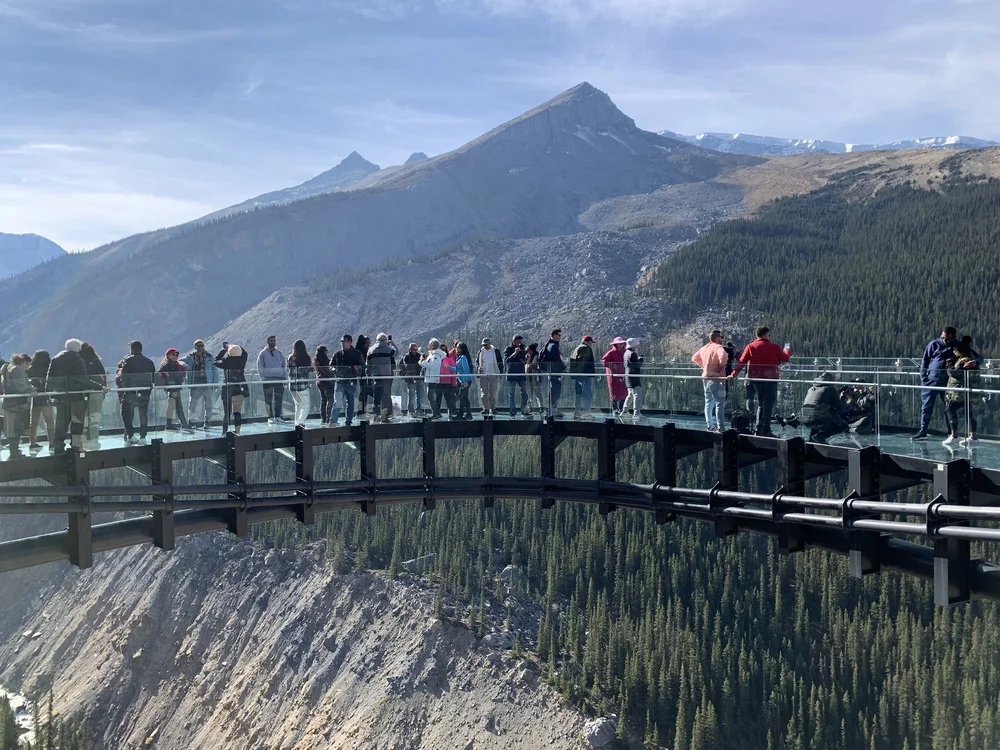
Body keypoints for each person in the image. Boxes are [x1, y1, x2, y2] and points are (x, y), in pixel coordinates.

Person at [729, 326, 791, 438]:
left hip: (755, 379)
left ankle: (759, 428)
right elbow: (785, 359)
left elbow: (741, 362)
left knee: (761, 404)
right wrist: (787, 349)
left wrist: (733, 374)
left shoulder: (751, 346)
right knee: (768, 404)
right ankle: (765, 430)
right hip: (770, 379)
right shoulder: (774, 347)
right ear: (766, 334)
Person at [46, 339, 103, 454]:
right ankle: (76, 446)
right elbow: (83, 379)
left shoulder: (56, 358)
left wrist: (49, 394)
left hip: (60, 396)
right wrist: (100, 387)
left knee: (61, 423)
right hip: (76, 397)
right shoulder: (78, 359)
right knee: (77, 423)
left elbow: (50, 378)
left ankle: (58, 446)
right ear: (78, 348)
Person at [913, 327, 959, 440]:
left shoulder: (957, 345)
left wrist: (975, 362)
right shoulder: (934, 344)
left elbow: (975, 356)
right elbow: (925, 360)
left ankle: (951, 433)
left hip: (948, 382)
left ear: (953, 337)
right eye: (943, 337)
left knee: (949, 407)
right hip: (931, 381)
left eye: (947, 338)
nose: (944, 340)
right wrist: (924, 378)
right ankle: (923, 431)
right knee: (926, 406)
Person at [800, 372, 872, 444]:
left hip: (804, 418)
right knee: (843, 426)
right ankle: (820, 437)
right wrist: (848, 400)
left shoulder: (811, 389)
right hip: (818, 418)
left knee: (815, 418)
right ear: (830, 380)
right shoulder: (830, 389)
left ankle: (812, 441)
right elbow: (840, 407)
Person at [943, 337, 982, 446]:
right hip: (967, 391)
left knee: (950, 409)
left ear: (959, 351)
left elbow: (954, 373)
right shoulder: (972, 357)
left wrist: (949, 364)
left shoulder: (964, 361)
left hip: (960, 392)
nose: (954, 352)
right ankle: (972, 437)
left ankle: (955, 435)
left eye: (955, 351)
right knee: (968, 412)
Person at [118, 340, 156, 445]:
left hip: (131, 392)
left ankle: (130, 435)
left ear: (132, 350)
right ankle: (143, 437)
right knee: (143, 414)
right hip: (145, 392)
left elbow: (124, 377)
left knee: (126, 412)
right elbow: (153, 378)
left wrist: (127, 388)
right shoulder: (149, 362)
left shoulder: (128, 360)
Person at [691, 330, 729, 432]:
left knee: (708, 403)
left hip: (706, 379)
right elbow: (723, 357)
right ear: (717, 338)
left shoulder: (704, 348)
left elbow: (694, 358)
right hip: (717, 379)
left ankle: (710, 426)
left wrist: (704, 366)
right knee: (719, 403)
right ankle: (721, 427)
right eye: (721, 337)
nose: (722, 339)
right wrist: (719, 368)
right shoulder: (718, 347)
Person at [1, 354, 34, 459]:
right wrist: (31, 390)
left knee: (12, 428)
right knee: (16, 428)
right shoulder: (17, 370)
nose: (27, 368)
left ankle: (14, 450)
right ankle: (14, 452)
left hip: (9, 404)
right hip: (16, 405)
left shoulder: (8, 368)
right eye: (27, 365)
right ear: (23, 362)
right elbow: (21, 385)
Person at [182, 340, 218, 430]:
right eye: (198, 346)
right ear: (195, 347)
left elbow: (215, 370)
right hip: (195, 384)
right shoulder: (190, 357)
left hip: (207, 384)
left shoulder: (209, 357)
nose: (200, 347)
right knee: (193, 404)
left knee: (208, 404)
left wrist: (215, 383)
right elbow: (180, 361)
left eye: (201, 345)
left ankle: (207, 422)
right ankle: (191, 422)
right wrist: (186, 366)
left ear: (204, 346)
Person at [331, 334, 365, 426]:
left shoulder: (357, 354)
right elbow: (331, 366)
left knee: (350, 402)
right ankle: (333, 421)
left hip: (351, 381)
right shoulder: (337, 354)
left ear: (350, 342)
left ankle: (348, 421)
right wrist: (335, 371)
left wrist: (354, 370)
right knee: (337, 401)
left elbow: (363, 366)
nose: (342, 343)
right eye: (341, 342)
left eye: (344, 341)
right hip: (339, 381)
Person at [216, 344, 249, 435]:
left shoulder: (226, 361)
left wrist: (224, 350)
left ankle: (224, 432)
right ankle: (237, 432)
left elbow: (216, 361)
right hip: (239, 387)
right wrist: (235, 346)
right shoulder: (242, 360)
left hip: (227, 388)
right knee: (237, 411)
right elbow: (245, 353)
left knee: (227, 413)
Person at [79, 342, 107, 450]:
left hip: (81, 394)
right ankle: (94, 440)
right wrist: (103, 392)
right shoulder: (96, 361)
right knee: (94, 417)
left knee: (84, 418)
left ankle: (84, 441)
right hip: (97, 393)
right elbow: (103, 377)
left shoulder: (79, 362)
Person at [158, 348, 193, 432]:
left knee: (175, 407)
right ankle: (181, 424)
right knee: (176, 407)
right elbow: (167, 377)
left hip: (175, 388)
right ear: (168, 355)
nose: (175, 356)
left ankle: (172, 424)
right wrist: (173, 389)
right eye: (173, 354)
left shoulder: (174, 365)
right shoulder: (167, 366)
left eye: (176, 355)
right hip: (173, 389)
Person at [26, 350, 55, 452]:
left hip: (34, 398)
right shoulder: (48, 369)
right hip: (45, 398)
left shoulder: (31, 369)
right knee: (50, 422)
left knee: (33, 423)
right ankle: (52, 442)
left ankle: (32, 443)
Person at [257, 334, 288, 424]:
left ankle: (278, 416)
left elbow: (284, 365)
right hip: (267, 380)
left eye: (274, 341)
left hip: (279, 379)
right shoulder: (262, 353)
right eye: (271, 341)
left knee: (279, 399)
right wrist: (262, 378)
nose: (273, 342)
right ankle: (270, 417)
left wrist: (284, 376)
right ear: (267, 342)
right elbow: (260, 366)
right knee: (268, 399)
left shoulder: (279, 353)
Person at [367, 333, 397, 423]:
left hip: (376, 375)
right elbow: (396, 352)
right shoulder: (388, 348)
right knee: (386, 395)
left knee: (377, 395)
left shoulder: (371, 350)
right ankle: (384, 416)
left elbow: (368, 364)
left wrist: (369, 375)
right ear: (385, 340)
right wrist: (392, 344)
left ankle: (376, 415)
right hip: (386, 375)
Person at [539, 329, 566, 418]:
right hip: (554, 372)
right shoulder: (553, 346)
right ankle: (552, 410)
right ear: (554, 335)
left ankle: (552, 410)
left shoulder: (549, 345)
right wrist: (564, 366)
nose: (560, 337)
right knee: (555, 391)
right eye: (559, 335)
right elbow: (556, 359)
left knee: (554, 390)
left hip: (551, 371)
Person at [288, 339, 314, 428]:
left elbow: (289, 371)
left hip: (292, 385)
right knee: (306, 404)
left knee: (297, 405)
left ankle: (296, 423)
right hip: (303, 385)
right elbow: (308, 370)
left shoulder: (290, 358)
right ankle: (301, 422)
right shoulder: (305, 358)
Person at [570, 335, 597, 419]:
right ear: (589, 342)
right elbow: (583, 361)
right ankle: (586, 413)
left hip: (578, 375)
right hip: (585, 375)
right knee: (587, 394)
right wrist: (585, 372)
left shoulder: (577, 348)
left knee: (578, 393)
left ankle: (577, 412)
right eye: (591, 342)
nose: (591, 344)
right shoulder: (586, 348)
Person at [421, 339, 447, 419]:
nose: (428, 346)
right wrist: (422, 361)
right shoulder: (432, 355)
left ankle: (436, 413)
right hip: (430, 378)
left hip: (433, 378)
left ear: (432, 345)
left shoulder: (436, 356)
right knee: (430, 396)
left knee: (430, 396)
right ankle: (436, 413)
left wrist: (424, 362)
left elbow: (433, 367)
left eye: (429, 344)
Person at [601, 337, 628, 416]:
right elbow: (603, 361)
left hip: (623, 375)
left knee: (624, 392)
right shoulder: (611, 352)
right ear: (615, 344)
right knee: (614, 392)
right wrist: (613, 366)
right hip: (613, 376)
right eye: (619, 343)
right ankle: (615, 409)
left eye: (621, 343)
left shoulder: (625, 352)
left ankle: (621, 409)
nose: (621, 345)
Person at [476, 338, 503, 416]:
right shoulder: (481, 352)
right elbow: (477, 362)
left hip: (493, 373)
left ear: (489, 344)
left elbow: (500, 362)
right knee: (484, 392)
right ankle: (486, 408)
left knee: (493, 392)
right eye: (484, 345)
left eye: (486, 344)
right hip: (483, 373)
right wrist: (478, 369)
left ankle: (493, 407)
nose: (485, 346)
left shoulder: (495, 351)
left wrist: (500, 373)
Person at [503, 336, 528, 418]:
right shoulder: (508, 349)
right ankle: (512, 412)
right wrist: (515, 353)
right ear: (513, 341)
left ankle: (523, 410)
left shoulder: (522, 348)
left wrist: (525, 359)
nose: (519, 343)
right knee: (511, 394)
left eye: (520, 341)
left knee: (524, 392)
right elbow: (506, 361)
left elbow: (524, 360)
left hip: (521, 373)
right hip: (512, 373)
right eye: (517, 341)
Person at [622, 338, 644, 421]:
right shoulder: (633, 354)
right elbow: (637, 365)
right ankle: (636, 413)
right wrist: (641, 360)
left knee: (630, 394)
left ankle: (624, 411)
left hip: (628, 376)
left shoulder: (626, 353)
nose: (636, 347)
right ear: (633, 346)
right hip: (634, 376)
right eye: (636, 345)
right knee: (637, 394)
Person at [400, 343, 424, 417]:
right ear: (410, 349)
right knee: (411, 395)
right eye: (414, 349)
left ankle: (419, 409)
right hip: (410, 378)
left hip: (419, 378)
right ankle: (411, 410)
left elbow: (423, 365)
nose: (415, 351)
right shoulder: (406, 356)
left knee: (420, 395)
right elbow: (407, 366)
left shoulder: (420, 356)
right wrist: (418, 364)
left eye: (417, 349)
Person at [314, 345, 335, 425]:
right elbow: (328, 371)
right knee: (330, 400)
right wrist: (333, 377)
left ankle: (323, 418)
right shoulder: (326, 361)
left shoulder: (316, 361)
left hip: (320, 382)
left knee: (323, 400)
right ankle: (328, 417)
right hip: (328, 382)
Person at [455, 342, 475, 420]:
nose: (456, 348)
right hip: (462, 380)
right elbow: (457, 369)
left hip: (465, 380)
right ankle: (468, 414)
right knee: (464, 396)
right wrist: (449, 367)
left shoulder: (463, 357)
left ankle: (461, 414)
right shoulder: (459, 357)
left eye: (458, 347)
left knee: (462, 396)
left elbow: (466, 370)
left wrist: (465, 380)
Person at [355, 334, 372, 421]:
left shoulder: (361, 351)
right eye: (367, 343)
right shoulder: (361, 352)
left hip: (364, 375)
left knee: (364, 393)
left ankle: (362, 411)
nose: (369, 345)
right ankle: (361, 411)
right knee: (363, 393)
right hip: (362, 376)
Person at [440, 344, 459, 418]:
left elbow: (453, 372)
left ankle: (450, 412)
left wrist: (454, 383)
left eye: (444, 350)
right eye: (441, 350)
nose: (443, 351)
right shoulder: (436, 359)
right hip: (437, 381)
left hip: (447, 382)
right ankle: (437, 413)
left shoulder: (449, 359)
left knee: (448, 398)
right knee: (438, 398)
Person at [524, 343, 543, 415]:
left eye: (529, 351)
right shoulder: (528, 356)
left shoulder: (537, 356)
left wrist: (532, 366)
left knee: (537, 391)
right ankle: (530, 407)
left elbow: (538, 366)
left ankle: (541, 406)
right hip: (528, 377)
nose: (528, 352)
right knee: (529, 392)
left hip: (535, 376)